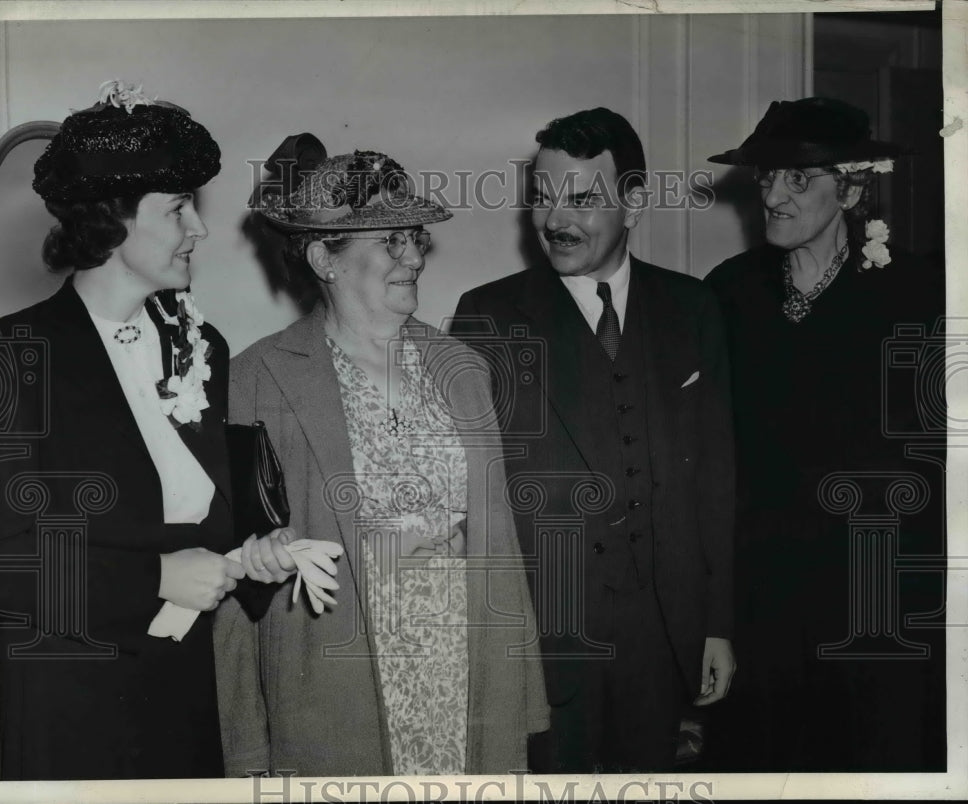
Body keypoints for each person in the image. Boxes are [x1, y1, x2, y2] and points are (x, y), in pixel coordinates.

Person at [214, 144, 548, 776]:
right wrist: (246, 745)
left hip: (464, 670)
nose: (415, 257)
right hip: (335, 681)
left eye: (415, 238)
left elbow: (501, 546)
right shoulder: (255, 379)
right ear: (324, 259)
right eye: (391, 241)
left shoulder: (463, 370)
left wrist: (519, 692)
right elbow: (238, 583)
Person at [0, 81, 293, 780]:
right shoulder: (13, 357)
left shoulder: (205, 347)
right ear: (114, 220)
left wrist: (260, 555)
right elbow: (1, 563)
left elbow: (206, 522)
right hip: (70, 704)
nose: (200, 229)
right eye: (179, 208)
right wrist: (154, 576)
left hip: (184, 699)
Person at [449, 107, 736, 773]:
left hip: (666, 639)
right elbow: (468, 494)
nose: (556, 221)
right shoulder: (487, 315)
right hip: (548, 643)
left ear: (633, 203)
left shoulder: (692, 309)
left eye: (582, 199)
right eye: (543, 200)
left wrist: (717, 624)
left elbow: (716, 480)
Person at [704, 96, 946, 770]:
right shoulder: (728, 294)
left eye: (798, 178)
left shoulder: (920, 294)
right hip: (764, 608)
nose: (774, 195)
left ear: (854, 187)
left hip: (882, 608)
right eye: (767, 178)